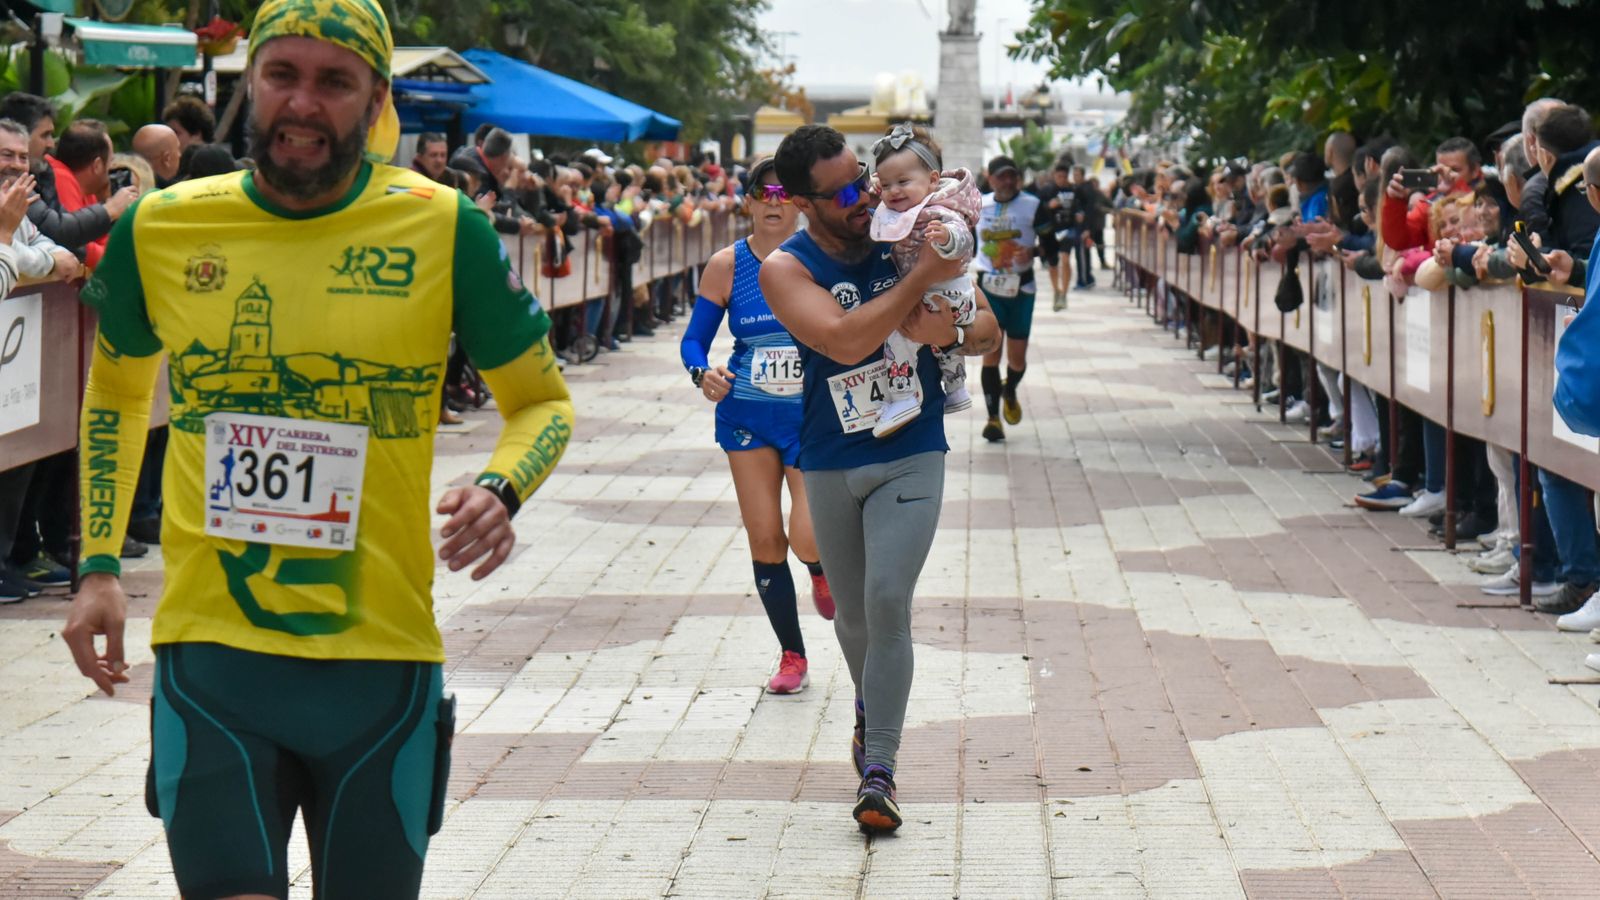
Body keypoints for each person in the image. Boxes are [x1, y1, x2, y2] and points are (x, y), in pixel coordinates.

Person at [61, 2, 574, 895]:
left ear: (375, 98)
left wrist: (503, 484)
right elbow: (115, 386)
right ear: (252, 83)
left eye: (334, 81)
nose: (303, 102)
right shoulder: (165, 225)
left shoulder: (445, 226)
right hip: (213, 656)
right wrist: (99, 563)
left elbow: (542, 404)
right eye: (283, 75)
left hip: (381, 660)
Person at [759, 124, 999, 833]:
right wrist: (923, 278)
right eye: (842, 194)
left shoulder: (908, 231)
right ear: (804, 202)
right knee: (856, 615)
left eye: (863, 178)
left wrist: (948, 334)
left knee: (889, 598)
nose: (865, 198)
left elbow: (986, 330)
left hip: (912, 446)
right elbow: (844, 339)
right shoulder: (787, 267)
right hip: (831, 456)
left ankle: (880, 770)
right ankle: (870, 715)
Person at [678, 156, 834, 695]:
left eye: (783, 192)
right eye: (762, 191)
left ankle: (818, 568)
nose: (773, 200)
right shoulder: (728, 265)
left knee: (804, 536)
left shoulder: (819, 259)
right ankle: (792, 654)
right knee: (766, 538)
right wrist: (703, 373)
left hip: (810, 416)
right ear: (746, 201)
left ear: (799, 203)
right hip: (746, 411)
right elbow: (694, 340)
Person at [867, 123, 981, 434]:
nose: (894, 192)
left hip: (944, 295)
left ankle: (902, 396)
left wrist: (946, 238)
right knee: (942, 345)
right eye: (886, 185)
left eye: (903, 182)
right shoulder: (906, 207)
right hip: (953, 300)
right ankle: (956, 391)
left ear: (933, 180)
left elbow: (964, 239)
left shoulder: (937, 211)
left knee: (897, 337)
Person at [973, 154, 1049, 442]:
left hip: (1021, 289)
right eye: (1001, 176)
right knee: (990, 353)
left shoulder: (1033, 205)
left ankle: (1010, 389)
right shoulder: (978, 204)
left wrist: (1034, 252)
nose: (1007, 181)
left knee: (1017, 360)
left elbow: (1052, 244)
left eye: (1011, 176)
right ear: (990, 178)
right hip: (988, 289)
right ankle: (993, 419)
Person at [131, 124, 182, 188]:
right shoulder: (178, 193)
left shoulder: (122, 192)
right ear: (166, 159)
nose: (180, 155)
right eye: (177, 149)